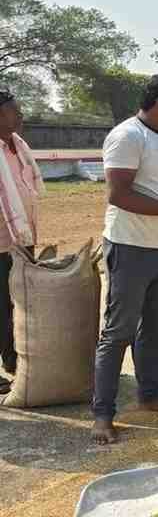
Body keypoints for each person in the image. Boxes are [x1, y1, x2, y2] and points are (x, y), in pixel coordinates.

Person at [92, 73, 158, 445]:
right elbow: (118, 195)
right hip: (130, 245)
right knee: (118, 331)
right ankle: (103, 414)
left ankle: (149, 394)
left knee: (156, 327)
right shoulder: (126, 136)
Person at [0, 89, 43, 395]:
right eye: (14, 110)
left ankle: (14, 358)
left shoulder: (19, 146)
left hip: (23, 237)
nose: (20, 115)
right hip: (1, 242)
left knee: (19, 302)